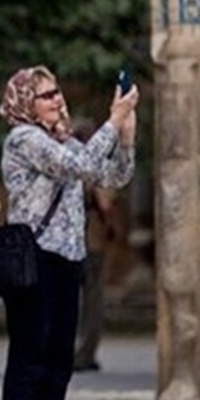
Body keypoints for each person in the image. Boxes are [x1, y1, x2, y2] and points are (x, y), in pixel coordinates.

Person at [0, 65, 137, 400]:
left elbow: (111, 174)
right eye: (46, 94)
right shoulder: (25, 140)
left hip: (66, 258)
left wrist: (126, 138)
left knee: (58, 357)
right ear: (26, 103)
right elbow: (78, 166)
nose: (57, 99)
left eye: (57, 91)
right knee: (28, 355)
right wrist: (112, 120)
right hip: (32, 260)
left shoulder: (64, 141)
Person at [70, 119, 122, 373]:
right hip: (90, 236)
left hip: (72, 238)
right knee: (92, 298)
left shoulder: (67, 162)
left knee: (72, 297)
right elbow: (106, 204)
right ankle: (85, 351)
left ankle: (78, 351)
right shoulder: (97, 166)